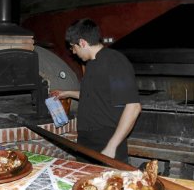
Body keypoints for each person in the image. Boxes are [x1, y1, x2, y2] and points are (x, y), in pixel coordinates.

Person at [51, 18, 141, 164]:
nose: (73, 52)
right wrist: (66, 93)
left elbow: (133, 107)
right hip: (86, 141)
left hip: (106, 140)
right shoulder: (91, 64)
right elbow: (93, 95)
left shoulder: (114, 61)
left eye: (73, 47)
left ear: (82, 43)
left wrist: (112, 146)